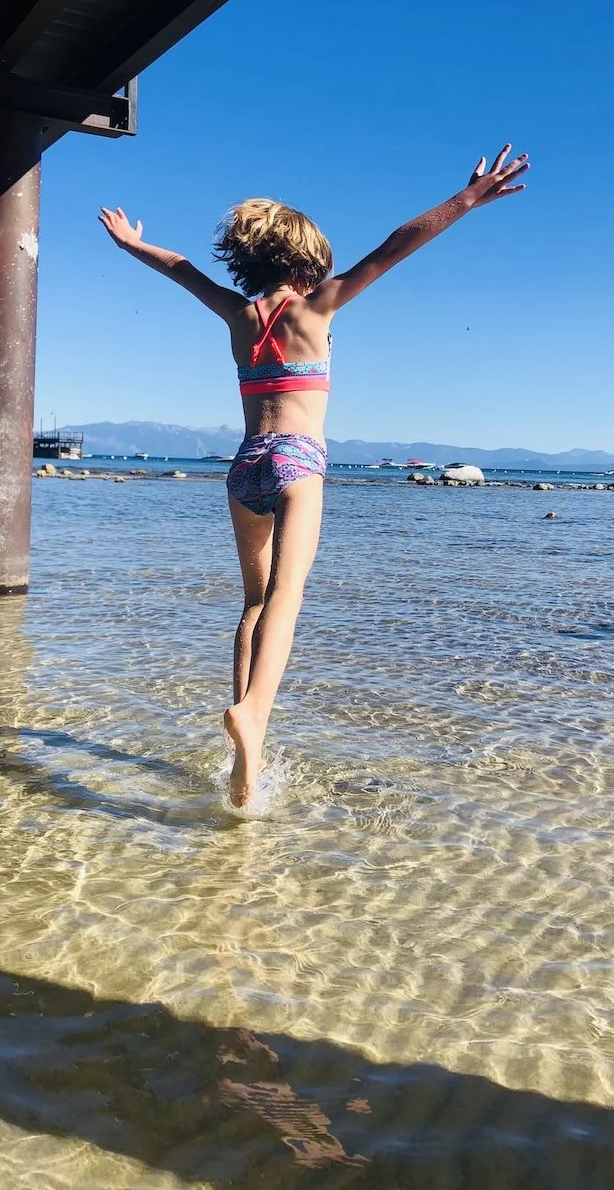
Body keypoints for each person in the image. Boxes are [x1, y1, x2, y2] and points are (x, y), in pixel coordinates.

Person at [99, 145, 528, 806]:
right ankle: (255, 717)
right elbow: (392, 249)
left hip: (245, 467)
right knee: (288, 595)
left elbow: (182, 268)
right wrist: (466, 200)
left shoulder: (239, 314)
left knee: (253, 600)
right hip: (297, 462)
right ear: (308, 259)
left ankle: (247, 744)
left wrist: (131, 245)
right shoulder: (318, 307)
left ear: (249, 260)